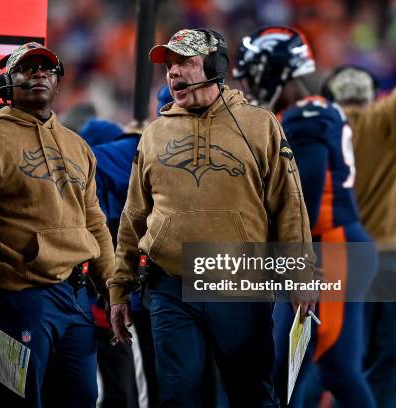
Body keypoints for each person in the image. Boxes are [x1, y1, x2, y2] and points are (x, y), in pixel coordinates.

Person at [108, 28, 316, 407]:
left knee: (250, 393)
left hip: (239, 281)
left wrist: (299, 271)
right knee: (179, 396)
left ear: (217, 65)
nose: (173, 73)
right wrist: (119, 287)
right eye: (169, 66)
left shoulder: (260, 124)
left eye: (184, 62)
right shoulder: (153, 135)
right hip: (170, 283)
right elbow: (134, 214)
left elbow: (289, 204)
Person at [0, 42, 114, 407]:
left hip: (76, 295)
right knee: (16, 400)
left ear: (58, 82)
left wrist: (112, 285)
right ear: (6, 83)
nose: (39, 74)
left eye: (47, 69)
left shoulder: (77, 145)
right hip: (13, 296)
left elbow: (94, 221)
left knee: (82, 397)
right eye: (27, 69)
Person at [234, 26, 377, 407]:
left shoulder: (307, 116)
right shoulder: (310, 112)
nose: (248, 84)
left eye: (252, 75)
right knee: (309, 368)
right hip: (330, 246)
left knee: (321, 368)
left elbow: (304, 200)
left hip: (330, 247)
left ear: (274, 71)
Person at [321, 43, 396, 407]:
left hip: (337, 266)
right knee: (393, 371)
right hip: (392, 265)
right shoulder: (386, 124)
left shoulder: (315, 135)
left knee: (341, 372)